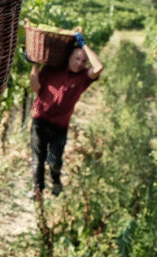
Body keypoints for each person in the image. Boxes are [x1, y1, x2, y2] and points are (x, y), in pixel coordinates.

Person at [27, 32, 104, 198]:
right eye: (76, 58)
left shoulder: (83, 77)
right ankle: (37, 190)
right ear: (68, 57)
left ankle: (56, 181)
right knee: (37, 159)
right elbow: (34, 87)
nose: (79, 63)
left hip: (60, 126)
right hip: (40, 120)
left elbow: (98, 67)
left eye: (83, 61)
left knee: (54, 162)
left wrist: (83, 44)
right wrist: (35, 66)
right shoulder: (52, 69)